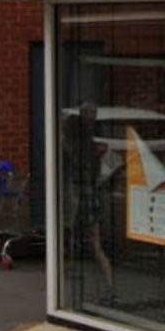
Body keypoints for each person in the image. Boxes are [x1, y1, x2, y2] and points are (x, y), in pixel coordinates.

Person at [63, 101, 115, 301]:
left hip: (82, 195)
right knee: (92, 243)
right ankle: (107, 286)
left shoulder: (79, 147)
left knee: (87, 240)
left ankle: (106, 286)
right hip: (87, 194)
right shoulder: (90, 145)